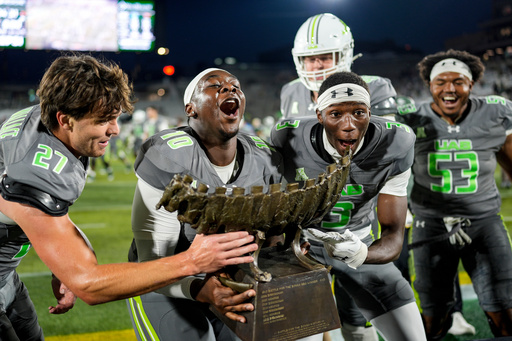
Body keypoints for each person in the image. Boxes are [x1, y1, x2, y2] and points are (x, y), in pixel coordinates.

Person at [0, 55, 258, 341]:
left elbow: (47, 211)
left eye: (115, 117)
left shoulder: (46, 123)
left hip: (6, 277)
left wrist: (62, 258)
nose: (115, 129)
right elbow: (88, 284)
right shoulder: (34, 170)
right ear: (65, 119)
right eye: (103, 120)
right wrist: (192, 261)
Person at [126, 68, 283, 341]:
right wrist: (201, 288)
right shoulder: (169, 156)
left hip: (228, 280)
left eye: (235, 85)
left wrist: (281, 249)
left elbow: (270, 236)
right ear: (191, 108)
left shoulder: (263, 158)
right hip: (161, 281)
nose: (229, 88)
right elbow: (152, 262)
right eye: (214, 85)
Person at [271, 71, 426, 341]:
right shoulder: (288, 137)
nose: (349, 125)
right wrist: (285, 247)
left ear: (369, 112)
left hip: (358, 238)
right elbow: (271, 209)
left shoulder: (396, 143)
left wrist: (362, 253)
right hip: (300, 251)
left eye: (358, 113)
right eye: (336, 114)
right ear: (319, 116)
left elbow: (393, 237)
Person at [280, 13, 397, 340]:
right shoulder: (291, 92)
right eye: (309, 59)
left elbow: (383, 161)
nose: (316, 66)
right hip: (309, 220)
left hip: (361, 217)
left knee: (357, 318)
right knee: (308, 320)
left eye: (324, 57)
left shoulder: (374, 88)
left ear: (344, 55)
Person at [396, 49, 512, 340]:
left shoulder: (495, 112)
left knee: (505, 308)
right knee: (432, 315)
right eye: (441, 82)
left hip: (484, 222)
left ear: (471, 85)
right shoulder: (411, 118)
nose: (449, 88)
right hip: (430, 225)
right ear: (430, 86)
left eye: (458, 81)